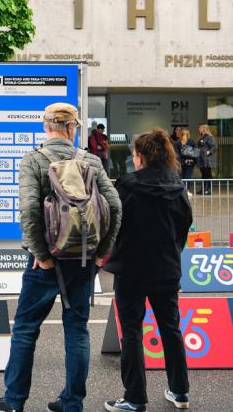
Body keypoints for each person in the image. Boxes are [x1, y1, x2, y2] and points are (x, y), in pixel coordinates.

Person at [0, 103, 122, 412]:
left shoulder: (33, 160)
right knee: (77, 330)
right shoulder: (90, 161)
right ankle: (72, 403)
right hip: (84, 258)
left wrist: (42, 254)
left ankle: (14, 401)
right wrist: (102, 252)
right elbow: (115, 206)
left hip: (45, 261)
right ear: (72, 127)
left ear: (46, 126)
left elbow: (29, 211)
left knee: (26, 328)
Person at [103, 129, 192, 412]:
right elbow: (184, 226)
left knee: (131, 331)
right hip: (166, 268)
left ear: (140, 156)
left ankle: (135, 398)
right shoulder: (178, 186)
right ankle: (180, 391)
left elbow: (115, 225)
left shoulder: (128, 185)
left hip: (131, 269)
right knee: (171, 328)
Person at [196, 124, 217, 195]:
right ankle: (203, 189)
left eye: (200, 128)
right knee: (203, 174)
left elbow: (214, 146)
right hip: (201, 159)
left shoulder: (209, 137)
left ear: (204, 129)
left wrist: (209, 151)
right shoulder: (201, 137)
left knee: (208, 174)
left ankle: (208, 189)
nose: (198, 129)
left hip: (207, 159)